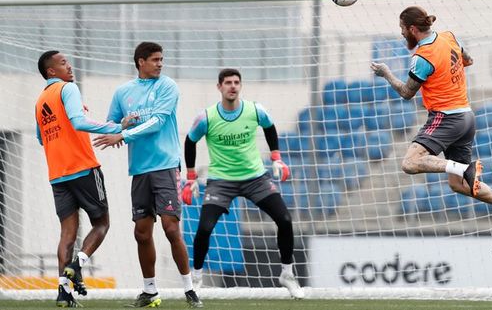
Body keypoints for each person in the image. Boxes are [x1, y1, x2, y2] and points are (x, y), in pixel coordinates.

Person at [370, 6, 492, 242]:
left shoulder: (422, 58)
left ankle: (465, 168)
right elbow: (468, 60)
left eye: (402, 29)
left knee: (410, 163)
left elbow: (406, 93)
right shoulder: (449, 37)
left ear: (413, 29)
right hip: (466, 117)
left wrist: (386, 73)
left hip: (446, 117)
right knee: (459, 185)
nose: (402, 33)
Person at [92, 42, 202, 308]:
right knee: (142, 233)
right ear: (140, 62)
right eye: (155, 59)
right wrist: (119, 126)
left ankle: (189, 289)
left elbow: (158, 122)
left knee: (170, 227)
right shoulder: (123, 92)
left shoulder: (167, 87)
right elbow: (112, 123)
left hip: (165, 166)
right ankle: (150, 291)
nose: (160, 64)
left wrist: (124, 133)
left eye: (162, 59)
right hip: (140, 171)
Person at [181, 68, 304, 299]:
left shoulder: (255, 110)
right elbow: (190, 141)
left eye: (237, 82)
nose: (233, 86)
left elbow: (269, 127)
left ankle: (287, 274)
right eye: (228, 82)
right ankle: (196, 278)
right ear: (219, 87)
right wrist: (190, 178)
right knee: (205, 228)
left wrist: (276, 157)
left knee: (285, 220)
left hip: (255, 179)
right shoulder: (207, 117)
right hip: (221, 182)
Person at [35, 51, 136, 307]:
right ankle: (76, 266)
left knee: (67, 233)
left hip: (57, 175)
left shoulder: (39, 102)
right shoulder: (67, 89)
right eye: (63, 63)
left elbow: (41, 138)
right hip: (83, 169)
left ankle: (63, 293)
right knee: (102, 224)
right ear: (51, 72)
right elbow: (78, 122)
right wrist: (118, 128)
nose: (69, 66)